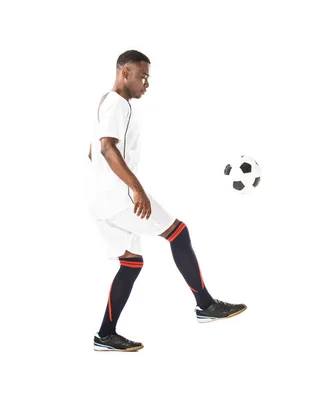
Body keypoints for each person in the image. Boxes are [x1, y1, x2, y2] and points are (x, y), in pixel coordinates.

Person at [87, 50, 246, 352]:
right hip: (118, 199)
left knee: (131, 264)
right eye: (142, 75)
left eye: (148, 77)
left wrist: (100, 183)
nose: (146, 82)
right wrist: (138, 189)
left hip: (100, 201)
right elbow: (107, 149)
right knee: (178, 232)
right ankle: (205, 305)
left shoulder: (108, 103)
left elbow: (92, 149)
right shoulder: (117, 104)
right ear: (125, 73)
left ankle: (105, 335)